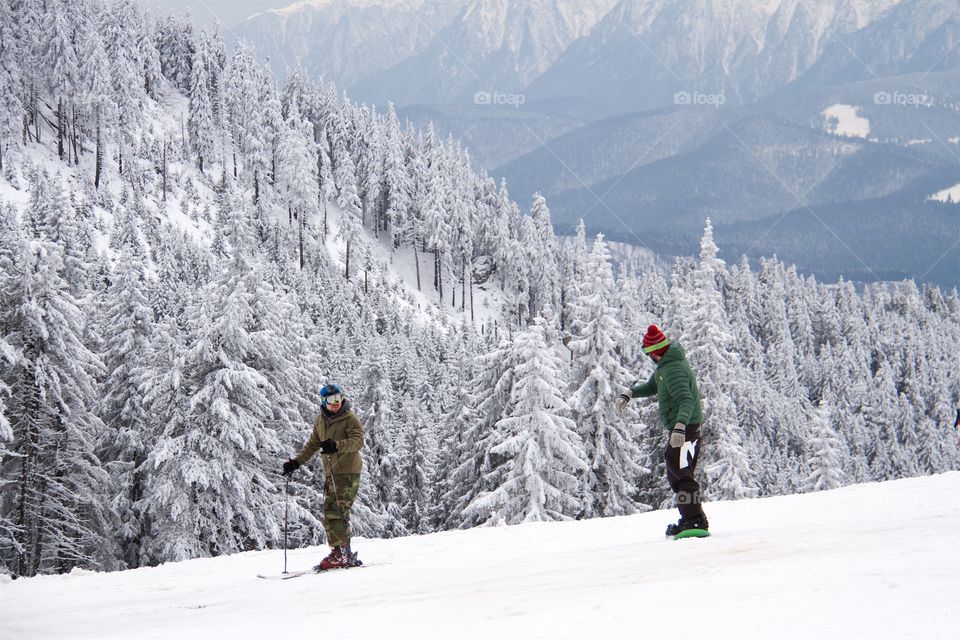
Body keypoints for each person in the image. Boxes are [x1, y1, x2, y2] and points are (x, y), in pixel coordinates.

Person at [615, 324, 709, 536]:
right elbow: (653, 386)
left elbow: (687, 401)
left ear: (654, 351)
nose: (647, 356)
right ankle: (690, 518)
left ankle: (695, 521)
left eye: (647, 352)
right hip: (682, 429)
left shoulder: (673, 369)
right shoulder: (665, 367)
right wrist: (629, 393)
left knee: (682, 476)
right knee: (679, 475)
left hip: (686, 430)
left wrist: (679, 428)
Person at [282, 383, 365, 570]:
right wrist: (296, 463)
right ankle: (343, 552)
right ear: (323, 402)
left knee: (335, 511)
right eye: (331, 400)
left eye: (338, 399)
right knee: (332, 512)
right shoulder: (321, 420)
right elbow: (313, 444)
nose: (336, 403)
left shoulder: (349, 418)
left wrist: (336, 445)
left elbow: (358, 441)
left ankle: (341, 553)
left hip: (347, 472)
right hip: (332, 473)